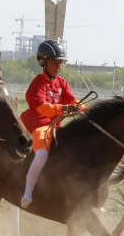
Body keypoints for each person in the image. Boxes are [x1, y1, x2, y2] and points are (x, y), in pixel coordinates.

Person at [19, 39, 84, 208]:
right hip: (38, 125)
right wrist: (64, 108)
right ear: (43, 61)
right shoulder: (37, 83)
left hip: (56, 126)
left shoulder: (62, 83)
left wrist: (85, 110)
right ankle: (28, 191)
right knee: (41, 154)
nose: (58, 66)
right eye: (54, 62)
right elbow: (42, 108)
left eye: (60, 63)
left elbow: (73, 100)